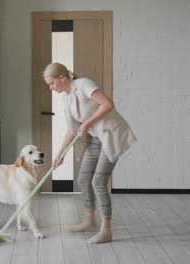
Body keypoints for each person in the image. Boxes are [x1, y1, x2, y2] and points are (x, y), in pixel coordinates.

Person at [43, 62, 136, 244]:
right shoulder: (66, 98)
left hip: (109, 136)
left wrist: (87, 123)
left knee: (98, 182)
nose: (50, 87)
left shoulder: (84, 84)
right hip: (94, 140)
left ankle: (106, 230)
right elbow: (72, 129)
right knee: (84, 179)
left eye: (51, 83)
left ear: (62, 78)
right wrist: (60, 154)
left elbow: (107, 104)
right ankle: (89, 221)